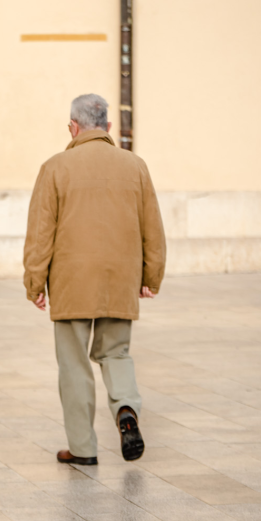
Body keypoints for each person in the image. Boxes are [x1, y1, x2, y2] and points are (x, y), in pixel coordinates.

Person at [23, 93, 166, 466]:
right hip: (120, 278)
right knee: (116, 353)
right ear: (109, 127)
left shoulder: (55, 166)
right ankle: (126, 411)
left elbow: (41, 233)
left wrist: (34, 283)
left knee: (74, 364)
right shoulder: (135, 166)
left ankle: (83, 448)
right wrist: (152, 276)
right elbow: (153, 227)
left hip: (71, 280)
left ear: (73, 126)